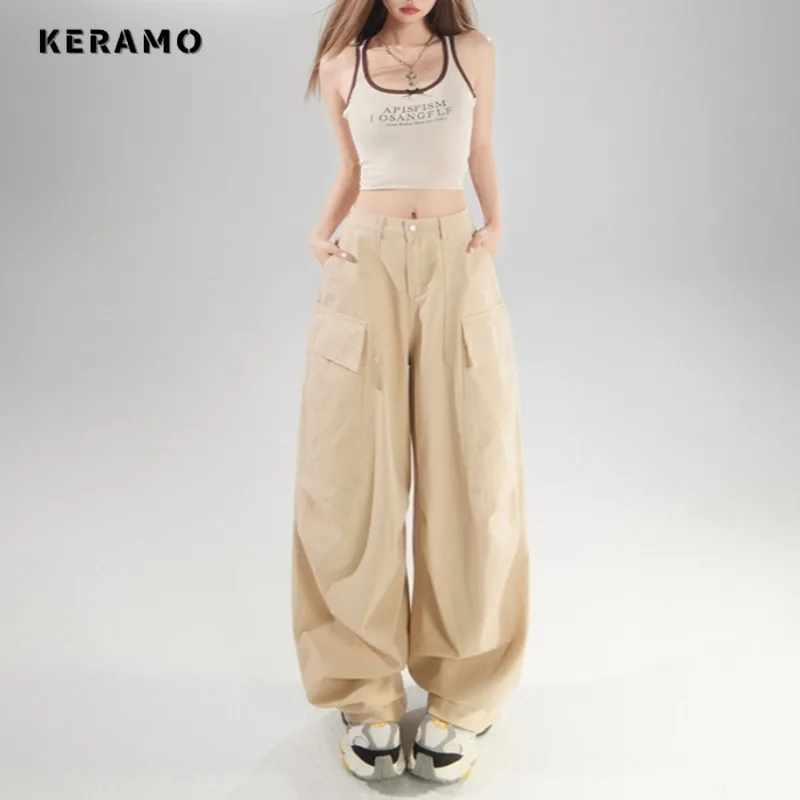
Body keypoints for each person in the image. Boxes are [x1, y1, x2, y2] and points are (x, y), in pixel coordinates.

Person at [291, 0, 529, 784]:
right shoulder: (341, 65)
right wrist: (319, 234)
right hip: (365, 263)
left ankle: (465, 689)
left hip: (456, 259)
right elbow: (353, 167)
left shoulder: (474, 52)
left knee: (475, 472)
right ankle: (364, 693)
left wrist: (496, 226)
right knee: (349, 475)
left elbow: (480, 145)